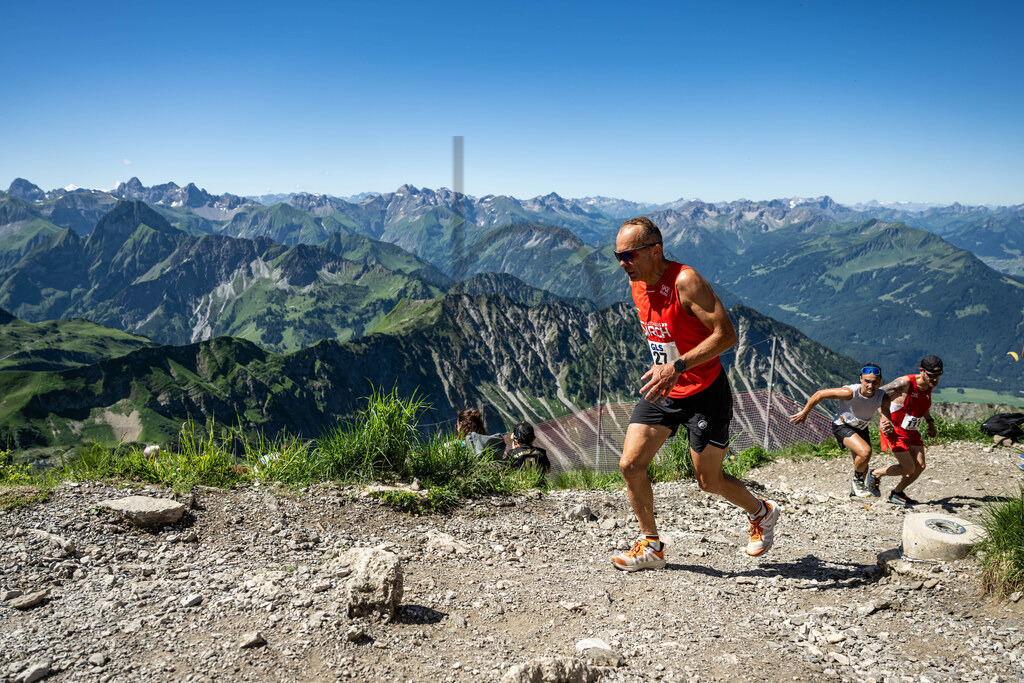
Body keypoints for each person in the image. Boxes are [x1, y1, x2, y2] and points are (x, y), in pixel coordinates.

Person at [611, 217, 779, 572]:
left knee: (709, 481)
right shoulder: (637, 283)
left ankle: (761, 511)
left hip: (704, 392)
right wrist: (667, 370)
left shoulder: (686, 281)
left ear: (655, 250)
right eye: (617, 256)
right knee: (631, 464)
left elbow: (726, 336)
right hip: (665, 389)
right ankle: (652, 545)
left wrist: (678, 366)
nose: (622, 264)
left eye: (628, 255)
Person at [789, 364, 895, 497]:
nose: (870, 386)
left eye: (874, 382)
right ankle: (856, 481)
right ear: (861, 378)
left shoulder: (883, 397)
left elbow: (886, 416)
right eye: (867, 381)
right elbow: (820, 394)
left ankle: (855, 495)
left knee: (863, 464)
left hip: (861, 428)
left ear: (880, 381)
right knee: (865, 452)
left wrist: (887, 424)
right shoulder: (850, 393)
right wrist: (805, 412)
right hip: (842, 425)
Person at [867, 355, 943, 507]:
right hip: (894, 431)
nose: (934, 380)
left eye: (938, 375)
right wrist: (884, 419)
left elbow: (923, 405)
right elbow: (876, 396)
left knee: (920, 466)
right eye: (931, 375)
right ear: (921, 371)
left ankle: (897, 493)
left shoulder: (930, 385)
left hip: (912, 431)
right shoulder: (905, 383)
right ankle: (875, 474)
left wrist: (930, 422)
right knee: (908, 467)